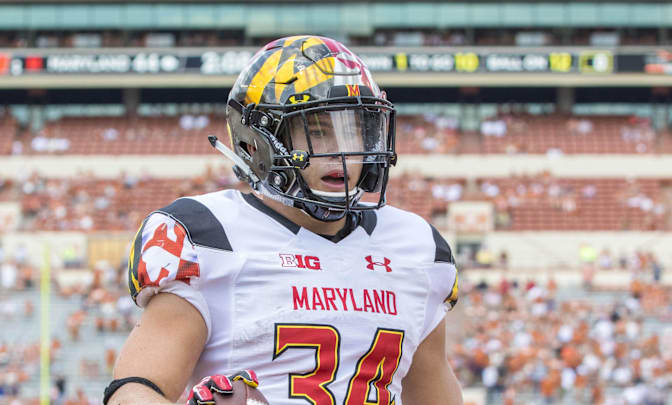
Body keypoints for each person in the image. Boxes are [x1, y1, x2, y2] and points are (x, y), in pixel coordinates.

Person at [106, 35, 462, 405]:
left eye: (354, 128)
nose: (340, 151)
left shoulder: (415, 246)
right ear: (260, 142)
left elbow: (434, 394)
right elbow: (134, 390)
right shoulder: (211, 236)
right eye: (317, 131)